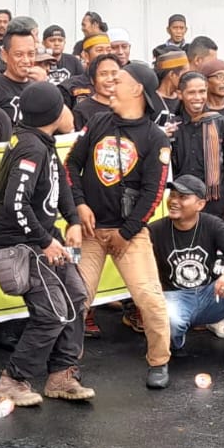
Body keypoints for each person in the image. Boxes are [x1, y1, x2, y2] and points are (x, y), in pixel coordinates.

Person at [0, 83, 91, 404]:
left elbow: (60, 182)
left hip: (45, 238)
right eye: (64, 106)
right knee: (53, 312)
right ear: (55, 113)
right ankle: (12, 380)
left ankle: (62, 375)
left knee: (77, 296)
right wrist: (45, 242)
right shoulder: (30, 147)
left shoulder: (42, 141)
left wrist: (72, 220)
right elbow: (15, 203)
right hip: (23, 245)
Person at [67, 63, 172, 387]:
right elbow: (71, 164)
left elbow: (154, 192)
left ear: (137, 89)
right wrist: (79, 205)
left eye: (120, 79)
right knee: (75, 299)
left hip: (131, 234)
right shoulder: (98, 121)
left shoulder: (155, 138)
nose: (111, 82)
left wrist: (127, 232)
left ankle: (159, 361)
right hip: (90, 233)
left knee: (149, 298)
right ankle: (66, 365)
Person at [150, 175, 224, 377]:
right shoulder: (155, 230)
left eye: (183, 197)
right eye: (172, 195)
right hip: (174, 297)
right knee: (169, 318)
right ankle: (174, 343)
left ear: (200, 204)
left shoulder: (213, 224)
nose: (174, 201)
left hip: (210, 295)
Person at [170, 71, 224, 219]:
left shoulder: (221, 123)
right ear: (180, 94)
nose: (198, 97)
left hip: (216, 203)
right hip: (182, 201)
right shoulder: (172, 127)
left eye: (202, 91)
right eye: (191, 92)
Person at [0, 20, 73, 130]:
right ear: (4, 55)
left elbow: (68, 126)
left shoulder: (40, 86)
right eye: (19, 54)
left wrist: (45, 87)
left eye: (31, 54)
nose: (26, 60)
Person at [72, 54, 120, 132]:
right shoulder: (82, 110)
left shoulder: (130, 104)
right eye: (103, 74)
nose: (110, 79)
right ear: (92, 80)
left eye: (114, 73)